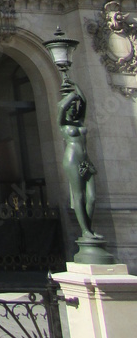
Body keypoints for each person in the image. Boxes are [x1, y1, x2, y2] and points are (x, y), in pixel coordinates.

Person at [57, 79, 103, 241]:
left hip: (86, 160)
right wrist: (70, 96)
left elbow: (84, 102)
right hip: (72, 159)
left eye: (74, 107)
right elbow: (61, 107)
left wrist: (75, 85)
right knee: (79, 196)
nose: (74, 108)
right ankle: (85, 231)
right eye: (71, 107)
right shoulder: (63, 124)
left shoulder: (79, 121)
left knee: (92, 197)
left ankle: (88, 229)